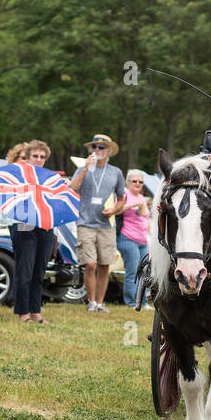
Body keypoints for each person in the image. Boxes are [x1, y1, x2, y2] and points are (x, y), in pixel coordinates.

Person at [69, 133, 125, 312]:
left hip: (106, 225)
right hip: (85, 223)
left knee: (104, 266)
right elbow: (73, 187)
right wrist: (85, 168)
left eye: (101, 147)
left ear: (108, 151)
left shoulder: (116, 172)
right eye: (94, 147)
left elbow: (121, 199)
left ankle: (100, 303)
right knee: (90, 264)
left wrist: (114, 210)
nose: (97, 150)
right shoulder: (82, 168)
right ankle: (91, 302)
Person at [11, 140, 57, 325]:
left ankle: (36, 312)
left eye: (42, 157)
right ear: (28, 157)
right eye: (35, 156)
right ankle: (23, 313)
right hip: (24, 224)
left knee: (39, 271)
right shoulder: (19, 176)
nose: (38, 160)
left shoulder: (50, 178)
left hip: (45, 225)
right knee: (25, 271)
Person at [118, 169, 152, 308]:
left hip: (143, 240)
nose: (138, 184)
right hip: (127, 238)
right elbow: (116, 209)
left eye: (140, 182)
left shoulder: (142, 197)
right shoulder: (124, 195)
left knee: (144, 273)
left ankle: (143, 302)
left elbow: (144, 216)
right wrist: (131, 205)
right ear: (128, 182)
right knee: (132, 271)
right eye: (134, 181)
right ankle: (131, 301)